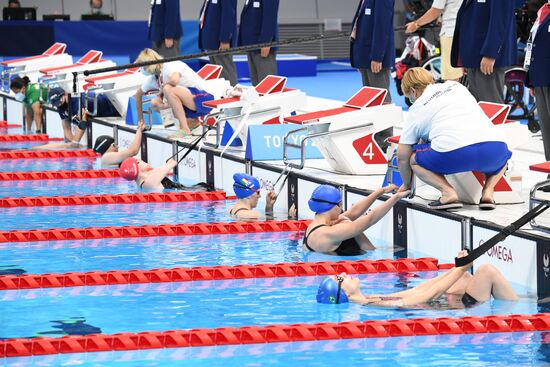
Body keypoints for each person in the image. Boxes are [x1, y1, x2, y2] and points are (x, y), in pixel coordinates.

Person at [396, 68, 512, 210]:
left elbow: (402, 156)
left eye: (409, 97)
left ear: (413, 91)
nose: (411, 100)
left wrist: (407, 184)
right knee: (504, 160)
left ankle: (448, 193)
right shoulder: (456, 86)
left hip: (456, 154)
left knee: (414, 160)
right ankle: (488, 191)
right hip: (495, 148)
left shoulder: (416, 110)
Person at [316, 250, 519, 307]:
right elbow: (427, 295)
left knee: (463, 277)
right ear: (344, 293)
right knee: (487, 271)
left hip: (446, 305)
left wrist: (457, 268)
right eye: (338, 278)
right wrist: (461, 267)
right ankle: (515, 312)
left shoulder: (369, 299)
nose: (343, 273)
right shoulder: (377, 305)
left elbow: (417, 290)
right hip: (453, 309)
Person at [303, 184, 409, 256]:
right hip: (354, 267)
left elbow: (353, 212)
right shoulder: (330, 232)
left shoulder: (316, 226)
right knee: (347, 222)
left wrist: (381, 191)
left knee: (346, 220)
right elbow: (370, 219)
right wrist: (396, 197)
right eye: (340, 204)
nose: (341, 208)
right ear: (334, 207)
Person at [134, 48, 215, 138]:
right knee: (155, 103)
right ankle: (192, 124)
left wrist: (162, 90)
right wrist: (141, 122)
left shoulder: (171, 65)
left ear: (149, 65)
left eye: (143, 66)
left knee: (168, 89)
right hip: (191, 105)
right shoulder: (153, 79)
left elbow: (174, 80)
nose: (141, 69)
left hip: (206, 100)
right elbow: (137, 95)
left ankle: (185, 130)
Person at [450, 0, 516, 103]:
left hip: (486, 56)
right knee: (478, 107)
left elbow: (500, 20)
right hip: (474, 55)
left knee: (491, 105)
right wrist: (464, 57)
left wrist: (490, 53)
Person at [405, 0, 463, 82]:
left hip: (451, 33)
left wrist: (416, 24)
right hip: (464, 31)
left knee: (452, 79)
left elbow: (435, 11)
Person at [350, 0, 395, 103]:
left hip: (374, 56)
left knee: (381, 99)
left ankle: (387, 119)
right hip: (364, 54)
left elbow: (382, 26)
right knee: (369, 99)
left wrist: (377, 56)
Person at [526, 2, 550, 180]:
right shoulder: (543, 10)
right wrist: (531, 78)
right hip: (541, 76)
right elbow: (532, 43)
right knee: (547, 129)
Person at [238, 0, 280, 86]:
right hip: (251, 43)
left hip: (262, 43)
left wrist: (266, 41)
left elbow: (270, 16)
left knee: (267, 84)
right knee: (256, 83)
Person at [199, 0, 238, 86]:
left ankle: (232, 96)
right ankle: (223, 96)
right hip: (212, 40)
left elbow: (228, 14)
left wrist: (225, 39)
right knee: (218, 73)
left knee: (226, 72)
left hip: (220, 41)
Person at [119, 156, 209, 192]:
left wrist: (168, 164)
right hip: (190, 193)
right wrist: (170, 163)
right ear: (136, 167)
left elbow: (162, 169)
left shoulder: (147, 176)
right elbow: (171, 164)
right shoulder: (148, 183)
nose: (142, 160)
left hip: (188, 190)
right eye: (139, 161)